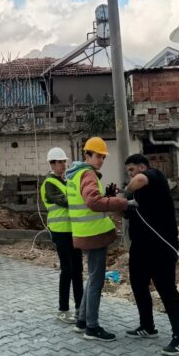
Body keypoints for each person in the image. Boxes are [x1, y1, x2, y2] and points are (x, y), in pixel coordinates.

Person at [124, 153, 179, 356]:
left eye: (131, 170)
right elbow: (125, 213)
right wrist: (116, 202)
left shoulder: (155, 177)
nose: (130, 175)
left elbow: (140, 180)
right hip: (141, 247)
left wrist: (125, 191)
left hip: (162, 246)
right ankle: (148, 326)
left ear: (142, 167)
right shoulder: (138, 195)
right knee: (137, 283)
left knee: (167, 290)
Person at [66, 137, 131, 341]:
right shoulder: (87, 173)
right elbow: (93, 202)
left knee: (92, 278)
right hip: (93, 234)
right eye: (98, 156)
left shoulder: (75, 174)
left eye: (103, 157)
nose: (101, 160)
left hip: (84, 232)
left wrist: (107, 195)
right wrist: (122, 203)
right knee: (96, 280)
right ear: (87, 155)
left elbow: (89, 200)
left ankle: (82, 321)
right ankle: (92, 328)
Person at [40, 147, 83, 323]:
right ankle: (63, 310)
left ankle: (81, 307)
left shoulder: (64, 181)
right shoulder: (49, 183)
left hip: (73, 230)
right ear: (52, 163)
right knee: (67, 270)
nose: (64, 165)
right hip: (60, 232)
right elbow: (65, 202)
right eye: (60, 162)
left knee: (78, 270)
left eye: (64, 162)